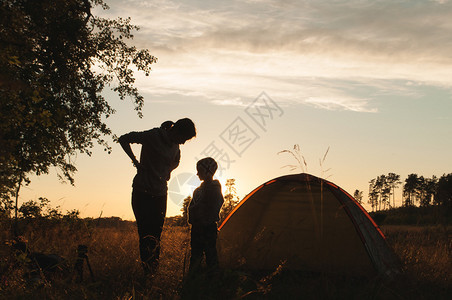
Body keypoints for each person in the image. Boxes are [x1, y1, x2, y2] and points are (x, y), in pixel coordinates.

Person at [118, 118, 196, 275]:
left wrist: (166, 171)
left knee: (156, 236)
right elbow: (124, 139)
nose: (183, 143)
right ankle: (147, 271)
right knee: (145, 234)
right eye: (184, 138)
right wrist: (135, 162)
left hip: (160, 193)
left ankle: (153, 271)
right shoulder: (153, 135)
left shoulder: (176, 146)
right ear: (177, 131)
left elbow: (176, 161)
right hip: (142, 192)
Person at [188, 157, 224, 274]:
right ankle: (195, 278)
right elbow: (193, 207)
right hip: (197, 228)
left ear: (207, 171)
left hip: (208, 227)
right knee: (196, 254)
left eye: (200, 171)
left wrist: (203, 220)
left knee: (210, 254)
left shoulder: (214, 189)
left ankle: (212, 279)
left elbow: (214, 206)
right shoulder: (198, 190)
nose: (197, 173)